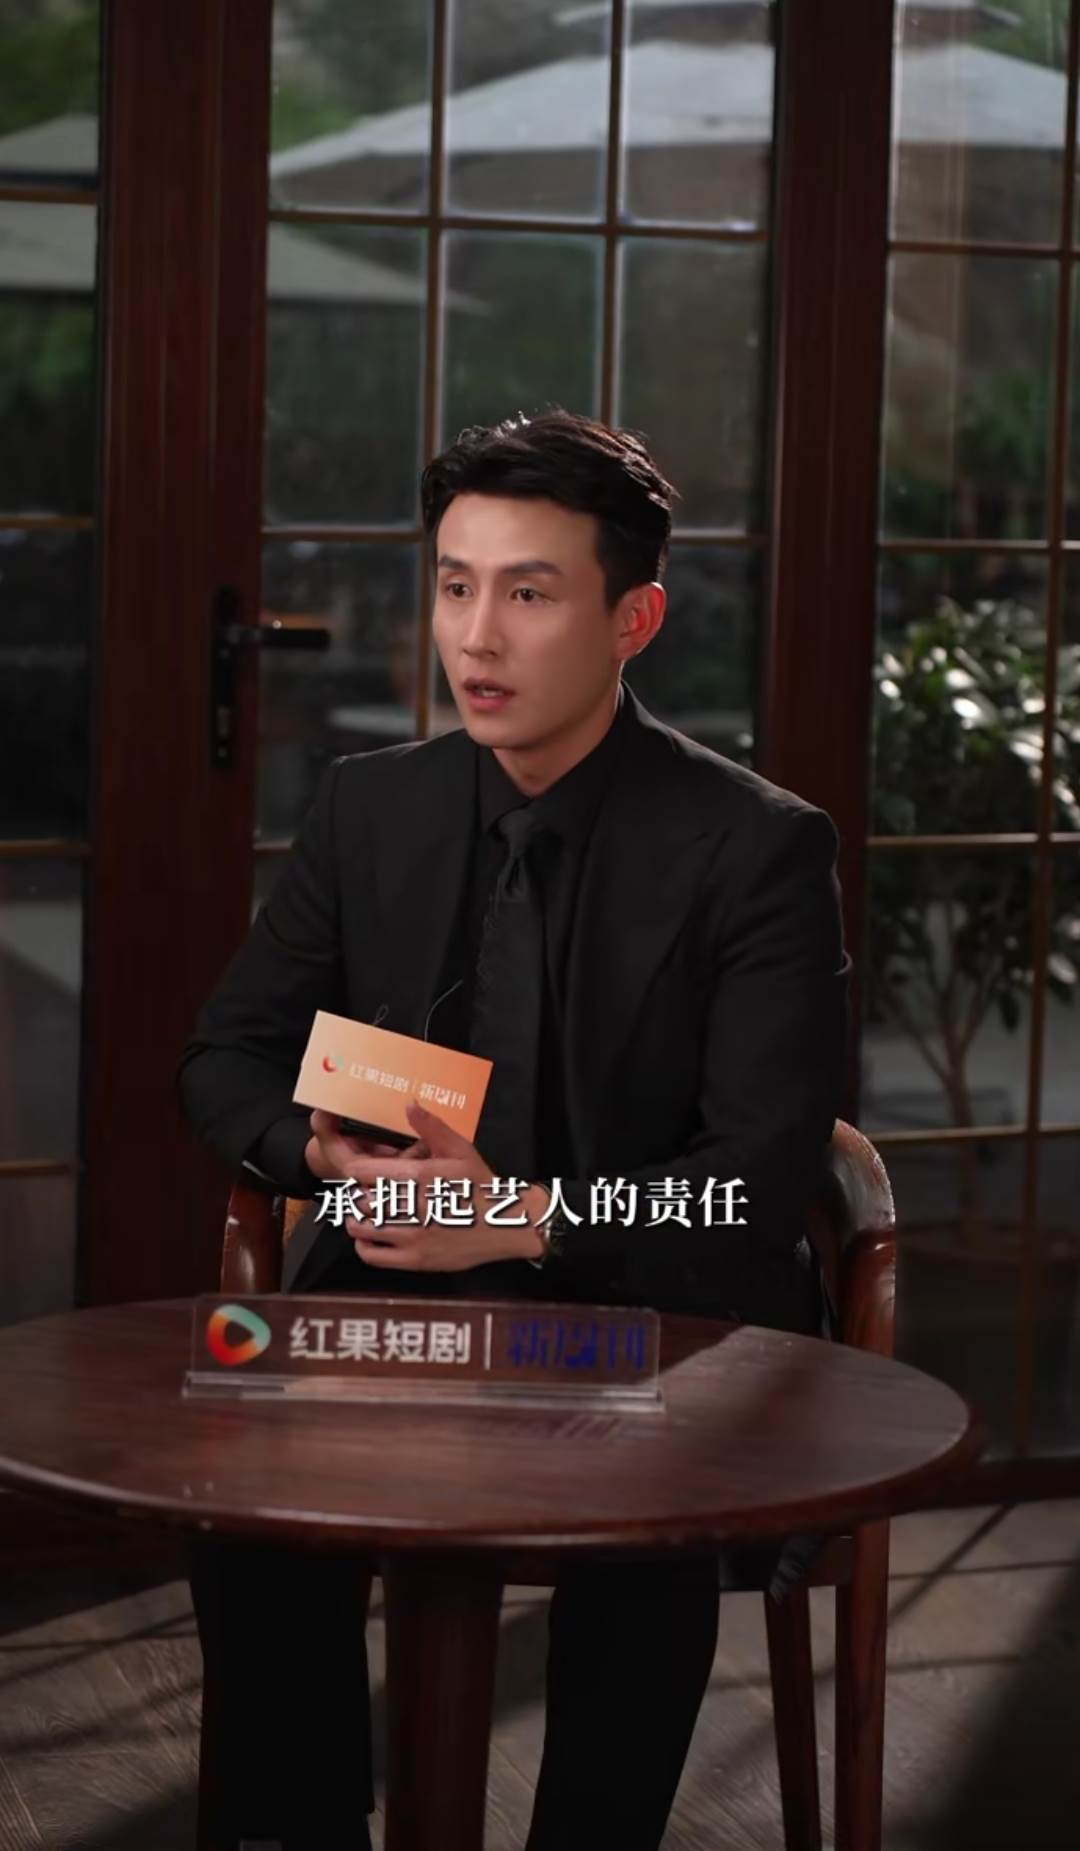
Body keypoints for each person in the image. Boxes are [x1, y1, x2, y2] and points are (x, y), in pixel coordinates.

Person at [178, 408, 851, 1851]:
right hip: (398, 1293)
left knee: (646, 1522)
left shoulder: (756, 848)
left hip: (647, 1309)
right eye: (455, 586)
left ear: (632, 620)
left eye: (531, 593)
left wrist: (524, 1218)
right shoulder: (373, 810)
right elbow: (225, 1057)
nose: (477, 637)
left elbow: (753, 1187)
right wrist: (321, 1156)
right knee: (239, 1490)